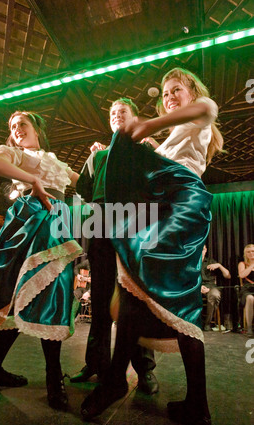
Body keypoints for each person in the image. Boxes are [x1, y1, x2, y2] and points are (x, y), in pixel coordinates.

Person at [80, 67, 224, 425]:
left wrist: (143, 127)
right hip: (162, 207)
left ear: (192, 90)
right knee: (137, 289)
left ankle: (123, 381)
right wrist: (113, 150)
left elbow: (205, 110)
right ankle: (192, 403)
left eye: (176, 89)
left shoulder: (201, 111)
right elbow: (143, 160)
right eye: (164, 92)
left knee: (169, 297)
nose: (169, 96)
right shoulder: (171, 137)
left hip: (182, 202)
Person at [0, 111, 82, 410]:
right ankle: (53, 377)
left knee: (40, 294)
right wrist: (33, 180)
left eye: (22, 124)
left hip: (56, 219)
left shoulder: (56, 160)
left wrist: (101, 157)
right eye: (13, 127)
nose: (17, 129)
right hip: (31, 217)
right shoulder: (14, 153)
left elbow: (85, 182)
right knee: (46, 293)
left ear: (37, 128)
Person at [72, 98, 159, 395]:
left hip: (134, 227)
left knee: (134, 298)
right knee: (99, 297)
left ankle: (144, 369)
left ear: (134, 118)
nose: (117, 116)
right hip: (100, 227)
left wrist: (153, 147)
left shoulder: (143, 148)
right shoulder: (96, 157)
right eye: (112, 113)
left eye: (123, 112)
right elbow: (83, 190)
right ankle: (96, 364)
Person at [201, 245, 231, 331]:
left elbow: (228, 276)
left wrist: (219, 265)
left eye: (202, 249)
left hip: (211, 287)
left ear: (206, 250)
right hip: (196, 287)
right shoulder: (191, 261)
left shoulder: (211, 261)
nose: (201, 251)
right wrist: (198, 287)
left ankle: (207, 323)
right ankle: (195, 322)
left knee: (214, 295)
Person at [238, 244, 254, 336]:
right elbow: (242, 275)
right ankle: (249, 328)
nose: (251, 253)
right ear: (245, 254)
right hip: (247, 289)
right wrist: (252, 265)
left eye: (253, 251)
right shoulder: (242, 264)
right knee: (250, 298)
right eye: (249, 252)